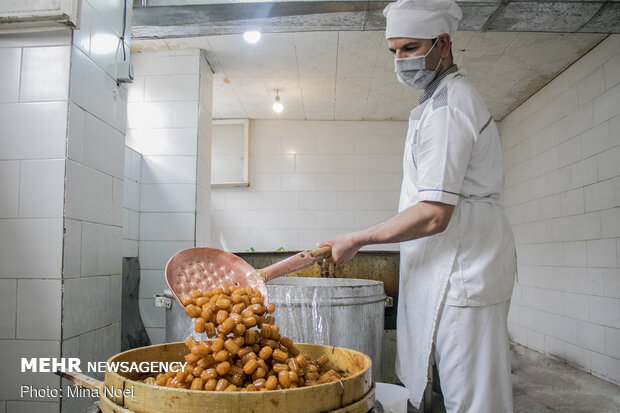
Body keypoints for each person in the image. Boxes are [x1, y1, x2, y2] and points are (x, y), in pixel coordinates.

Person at [318, 0, 517, 411]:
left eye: (410, 48)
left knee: (476, 399)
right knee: (460, 390)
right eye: (394, 51)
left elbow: (433, 213)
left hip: (464, 269)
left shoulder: (449, 106)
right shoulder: (434, 102)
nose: (401, 61)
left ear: (442, 43)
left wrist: (358, 238)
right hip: (456, 265)